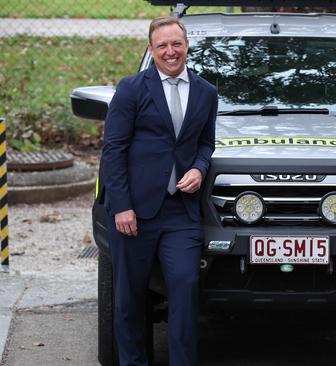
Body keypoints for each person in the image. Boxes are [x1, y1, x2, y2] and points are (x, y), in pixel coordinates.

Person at [101, 16, 217, 366]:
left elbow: (205, 144)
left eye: (176, 44)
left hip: (180, 212)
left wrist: (199, 167)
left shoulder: (205, 92)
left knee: (183, 288)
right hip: (133, 212)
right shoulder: (132, 88)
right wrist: (121, 206)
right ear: (151, 50)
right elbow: (113, 150)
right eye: (162, 45)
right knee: (129, 299)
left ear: (186, 46)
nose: (170, 51)